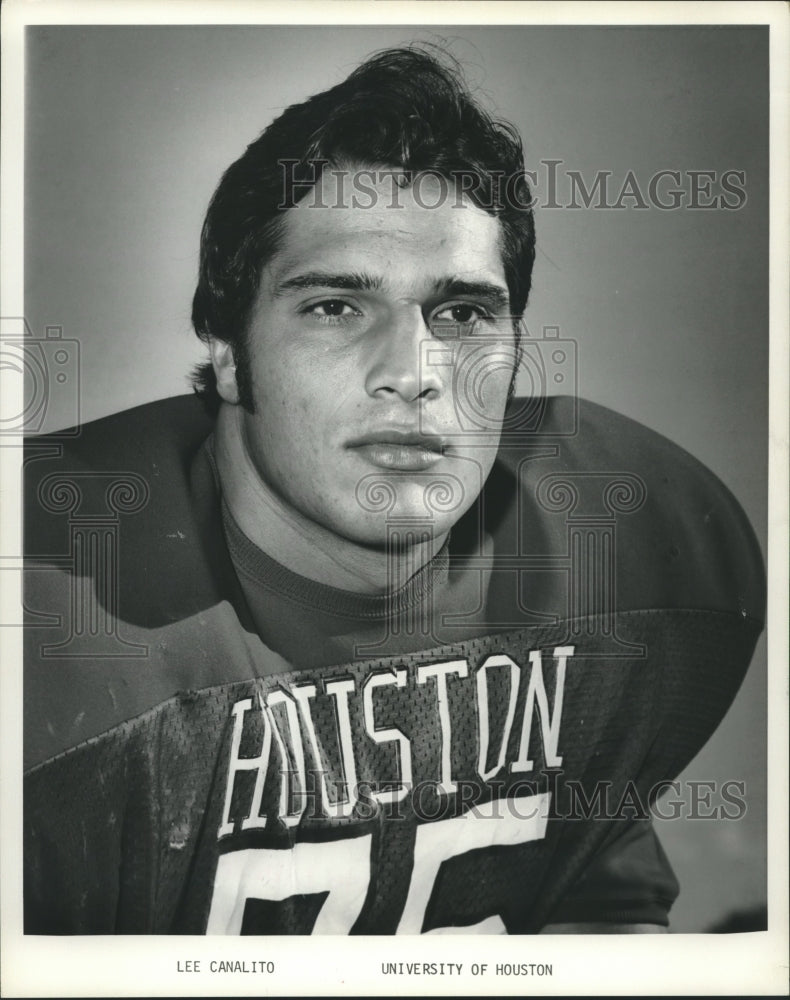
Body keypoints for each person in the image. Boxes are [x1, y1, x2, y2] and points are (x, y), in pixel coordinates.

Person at [22, 46, 765, 935]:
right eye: (336, 307)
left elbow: (601, 913)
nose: (413, 372)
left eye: (462, 314)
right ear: (226, 352)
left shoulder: (596, 581)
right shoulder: (46, 634)